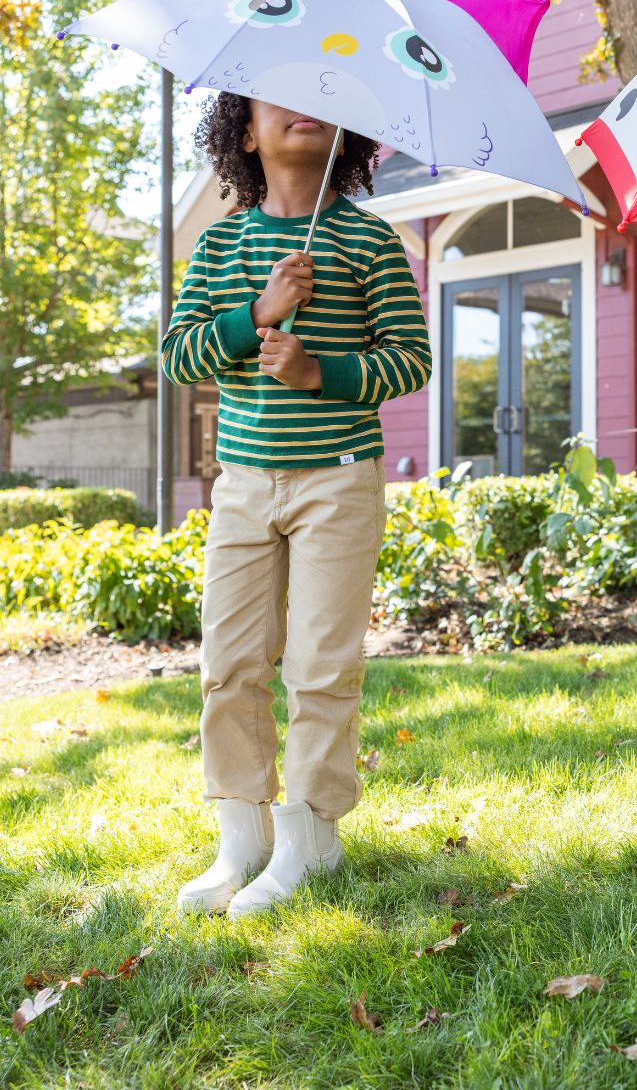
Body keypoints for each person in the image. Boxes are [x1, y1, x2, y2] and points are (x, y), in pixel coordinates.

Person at [163, 93, 431, 917]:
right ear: (245, 133)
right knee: (230, 663)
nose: (304, 110)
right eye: (278, 101)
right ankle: (241, 830)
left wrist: (323, 373)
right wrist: (257, 316)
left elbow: (410, 359)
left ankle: (310, 829)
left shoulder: (366, 238)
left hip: (338, 481)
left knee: (320, 665)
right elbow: (179, 356)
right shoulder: (221, 243)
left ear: (346, 132)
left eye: (322, 102)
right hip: (244, 485)